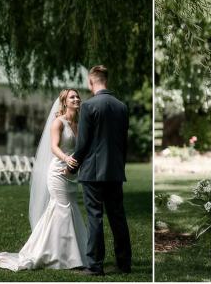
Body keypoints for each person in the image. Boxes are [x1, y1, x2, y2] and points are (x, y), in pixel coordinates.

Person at [0, 89, 88, 271]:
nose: (76, 99)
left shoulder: (79, 124)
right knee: (62, 208)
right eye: (72, 97)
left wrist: (75, 164)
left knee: (67, 208)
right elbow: (54, 147)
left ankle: (66, 253)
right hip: (57, 172)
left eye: (77, 96)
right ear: (64, 102)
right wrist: (66, 159)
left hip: (72, 173)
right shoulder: (58, 122)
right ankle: (64, 257)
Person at [70, 65, 131, 276]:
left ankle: (95, 265)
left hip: (93, 172)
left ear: (91, 82)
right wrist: (119, 167)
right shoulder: (122, 106)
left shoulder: (88, 106)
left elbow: (83, 143)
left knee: (95, 217)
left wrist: (73, 165)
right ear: (107, 80)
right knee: (117, 217)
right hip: (114, 171)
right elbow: (123, 144)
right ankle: (124, 264)